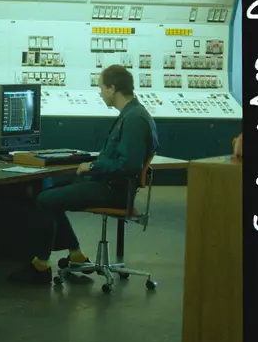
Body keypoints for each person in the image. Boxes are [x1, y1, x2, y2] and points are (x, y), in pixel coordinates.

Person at [8, 64, 158, 285]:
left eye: (102, 88)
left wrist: (93, 167)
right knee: (52, 194)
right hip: (109, 185)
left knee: (44, 200)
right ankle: (76, 255)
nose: (100, 93)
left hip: (112, 191)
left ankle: (40, 266)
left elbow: (128, 165)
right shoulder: (132, 114)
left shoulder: (134, 119)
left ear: (112, 88)